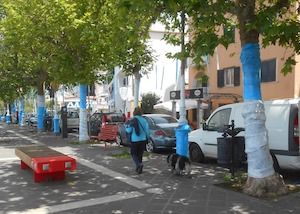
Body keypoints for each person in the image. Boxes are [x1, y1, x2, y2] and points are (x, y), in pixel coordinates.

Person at [125, 107, 150, 174]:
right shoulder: (144, 120)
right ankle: (139, 169)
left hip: (135, 140)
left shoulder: (132, 120)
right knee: (140, 154)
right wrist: (147, 137)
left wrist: (126, 128)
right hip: (143, 139)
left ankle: (138, 164)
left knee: (133, 153)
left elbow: (129, 130)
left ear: (134, 113)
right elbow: (147, 130)